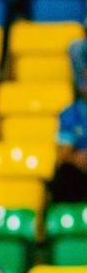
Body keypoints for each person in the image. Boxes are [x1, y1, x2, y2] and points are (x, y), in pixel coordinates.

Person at [54, 41, 87, 203]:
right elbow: (63, 154)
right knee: (66, 175)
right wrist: (77, 159)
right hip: (79, 175)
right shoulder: (70, 114)